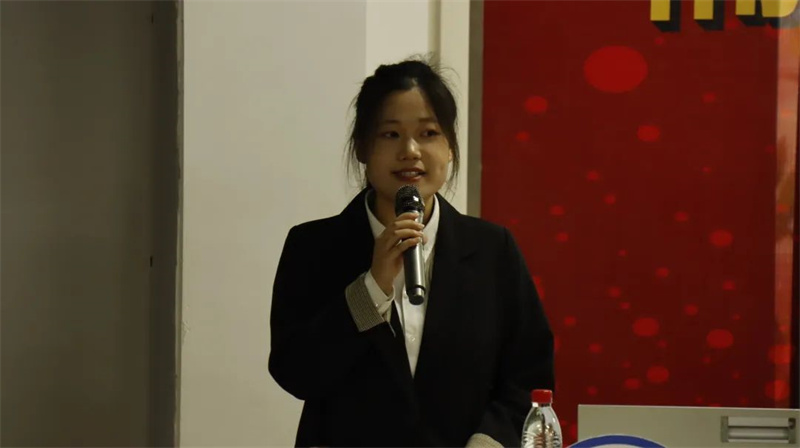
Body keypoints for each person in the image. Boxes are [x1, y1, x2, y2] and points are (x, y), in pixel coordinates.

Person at [269, 57, 554, 448]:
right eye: (390, 134)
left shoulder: (493, 250)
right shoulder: (314, 247)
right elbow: (296, 373)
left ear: (450, 147)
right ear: (362, 147)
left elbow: (528, 375)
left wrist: (489, 441)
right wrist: (371, 289)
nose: (411, 151)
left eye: (429, 133)